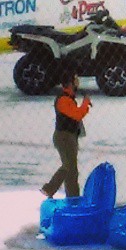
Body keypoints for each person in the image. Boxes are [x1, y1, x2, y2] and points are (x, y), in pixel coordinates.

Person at [41, 70, 92, 198]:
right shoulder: (63, 100)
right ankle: (50, 188)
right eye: (75, 79)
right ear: (70, 83)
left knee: (72, 170)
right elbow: (77, 115)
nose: (78, 81)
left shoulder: (69, 98)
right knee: (68, 166)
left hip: (70, 136)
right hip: (64, 137)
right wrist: (85, 102)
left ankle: (73, 197)